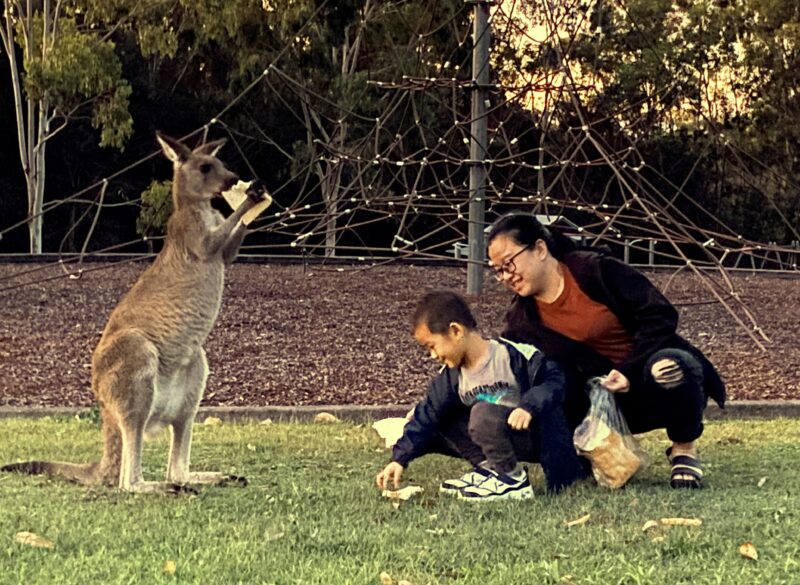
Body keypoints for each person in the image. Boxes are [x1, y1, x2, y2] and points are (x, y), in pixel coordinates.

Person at [486, 213, 726, 489]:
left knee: (669, 366)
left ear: (540, 249)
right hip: (602, 402)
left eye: (509, 263)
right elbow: (517, 367)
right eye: (498, 270)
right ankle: (586, 458)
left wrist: (629, 372)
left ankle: (683, 448)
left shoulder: (594, 271)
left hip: (651, 379)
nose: (506, 276)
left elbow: (660, 315)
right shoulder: (521, 322)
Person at [375, 290, 588, 501]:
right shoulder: (452, 376)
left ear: (456, 331)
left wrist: (528, 406)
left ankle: (512, 479)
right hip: (492, 435)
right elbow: (428, 413)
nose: (432, 356)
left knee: (483, 411)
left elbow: (554, 382)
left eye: (432, 346)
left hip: (534, 435)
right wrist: (399, 458)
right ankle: (490, 470)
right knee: (438, 417)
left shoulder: (511, 356)